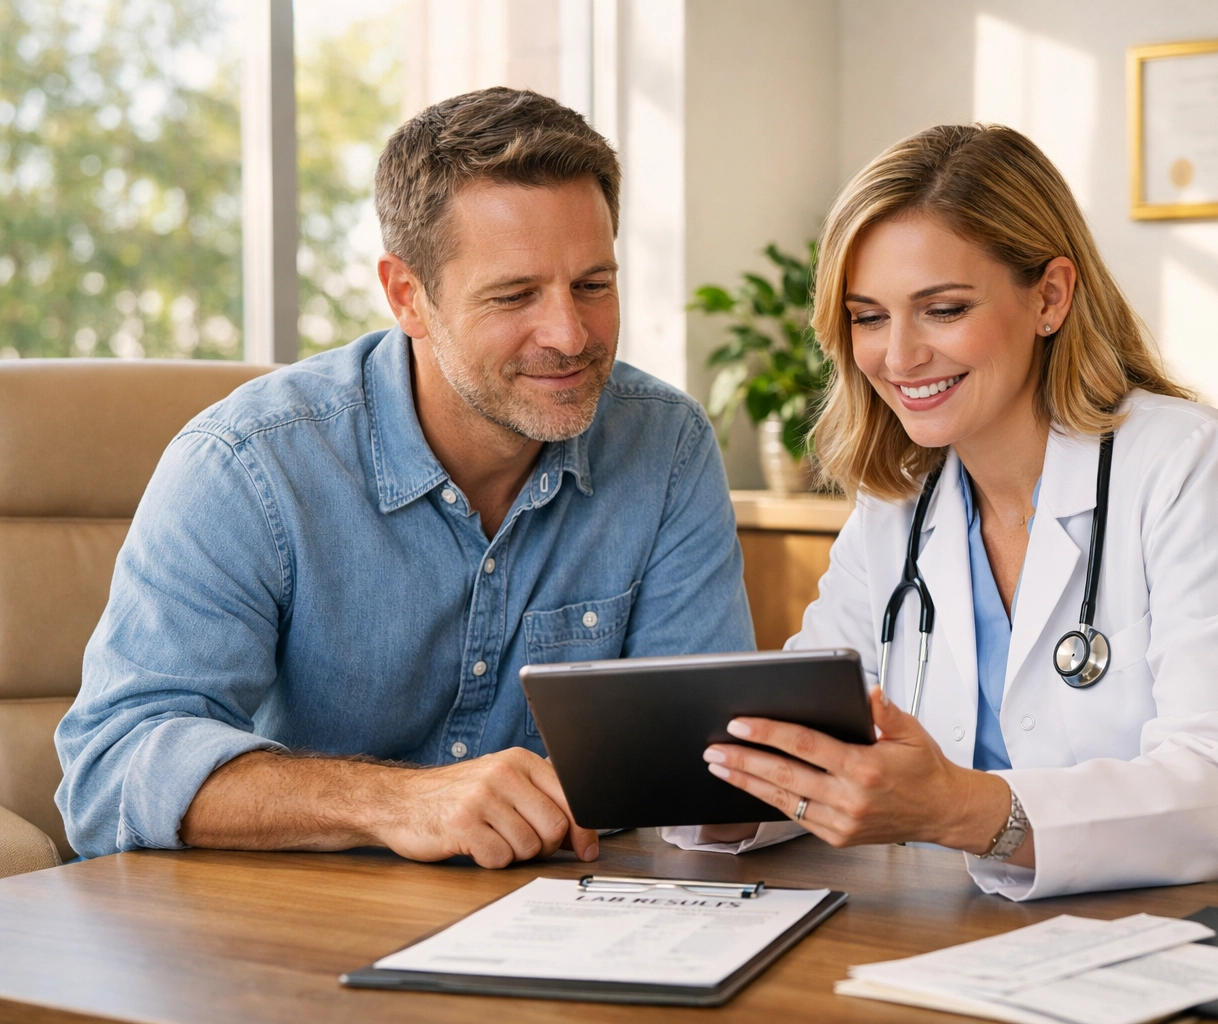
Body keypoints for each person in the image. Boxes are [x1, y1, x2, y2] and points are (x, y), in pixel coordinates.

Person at [693, 124, 1218, 900]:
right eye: (868, 317)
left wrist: (960, 808)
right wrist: (716, 794)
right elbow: (818, 744)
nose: (898, 356)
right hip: (1021, 948)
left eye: (944, 309)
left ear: (1050, 298)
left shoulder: (1193, 467)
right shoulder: (897, 504)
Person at [55, 87, 754, 864]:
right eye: (514, 294)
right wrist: (393, 801)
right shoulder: (248, 465)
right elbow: (111, 772)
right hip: (292, 930)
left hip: (561, 922)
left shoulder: (667, 446)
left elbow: (703, 773)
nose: (570, 334)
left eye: (594, 284)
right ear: (407, 296)